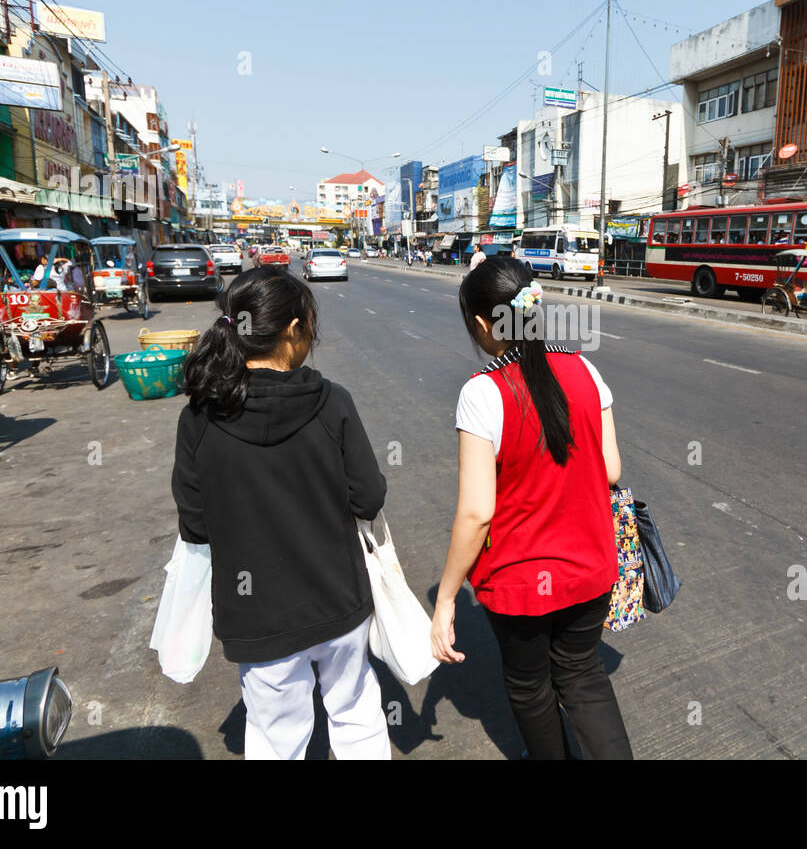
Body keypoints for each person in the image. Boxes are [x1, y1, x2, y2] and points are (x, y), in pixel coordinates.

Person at [171, 266, 390, 760]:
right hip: (339, 599)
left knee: (275, 738)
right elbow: (369, 497)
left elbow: (195, 523)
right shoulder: (332, 402)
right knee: (355, 713)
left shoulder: (200, 417)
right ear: (293, 331)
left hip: (255, 616)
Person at [431, 259, 632, 760]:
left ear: (482, 323)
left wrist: (446, 597)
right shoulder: (584, 367)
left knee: (530, 687)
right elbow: (610, 469)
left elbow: (477, 513)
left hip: (521, 582)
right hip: (590, 566)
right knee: (583, 676)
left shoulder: (483, 391)